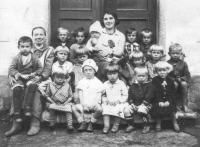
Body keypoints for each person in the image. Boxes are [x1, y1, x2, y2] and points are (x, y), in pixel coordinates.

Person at [5, 36, 42, 136]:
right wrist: (17, 74)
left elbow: (40, 68)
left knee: (33, 87)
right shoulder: (17, 57)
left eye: (27, 46)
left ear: (31, 47)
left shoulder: (35, 57)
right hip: (20, 78)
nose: (25, 49)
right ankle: (16, 117)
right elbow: (11, 68)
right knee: (16, 89)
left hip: (31, 78)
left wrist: (34, 74)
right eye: (22, 46)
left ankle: (28, 109)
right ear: (19, 47)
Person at [28, 26, 55, 136]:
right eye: (36, 35)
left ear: (45, 36)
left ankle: (35, 123)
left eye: (41, 34)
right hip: (29, 77)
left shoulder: (50, 50)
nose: (38, 37)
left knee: (38, 90)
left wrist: (40, 77)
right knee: (18, 88)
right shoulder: (27, 49)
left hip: (43, 78)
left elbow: (48, 68)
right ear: (33, 37)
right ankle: (17, 122)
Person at [91, 11, 125, 81]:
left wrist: (110, 52)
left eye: (111, 18)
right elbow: (97, 49)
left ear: (115, 20)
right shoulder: (98, 33)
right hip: (101, 62)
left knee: (117, 68)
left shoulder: (121, 35)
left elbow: (120, 52)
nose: (108, 21)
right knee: (107, 66)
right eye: (105, 19)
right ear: (103, 21)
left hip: (116, 62)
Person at [72, 59, 103, 132]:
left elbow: (99, 95)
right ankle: (82, 122)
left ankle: (91, 123)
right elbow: (81, 95)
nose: (88, 72)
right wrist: (84, 105)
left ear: (94, 71)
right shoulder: (81, 82)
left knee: (100, 109)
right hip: (84, 104)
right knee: (73, 108)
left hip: (94, 104)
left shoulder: (98, 82)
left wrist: (94, 104)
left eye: (90, 70)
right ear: (83, 71)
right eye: (86, 70)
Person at [148, 61, 180, 132]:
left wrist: (169, 101)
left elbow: (172, 93)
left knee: (172, 108)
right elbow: (154, 92)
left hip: (169, 100)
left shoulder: (170, 81)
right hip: (158, 100)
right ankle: (158, 123)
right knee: (157, 108)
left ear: (167, 71)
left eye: (164, 70)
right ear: (156, 71)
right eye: (159, 70)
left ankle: (174, 122)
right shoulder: (154, 80)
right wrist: (159, 101)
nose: (162, 72)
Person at [45, 67, 74, 132]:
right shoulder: (50, 85)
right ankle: (52, 124)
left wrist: (66, 103)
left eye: (62, 77)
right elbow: (47, 96)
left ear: (65, 78)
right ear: (54, 77)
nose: (60, 79)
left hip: (64, 104)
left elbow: (71, 96)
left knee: (69, 109)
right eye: (58, 77)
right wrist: (52, 102)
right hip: (54, 103)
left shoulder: (67, 85)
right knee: (51, 108)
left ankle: (70, 126)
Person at [124, 67, 152, 134]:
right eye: (139, 76)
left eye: (143, 76)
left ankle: (147, 125)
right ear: (135, 76)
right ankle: (131, 124)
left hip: (146, 104)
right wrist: (132, 103)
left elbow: (149, 96)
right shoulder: (133, 85)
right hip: (135, 104)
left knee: (141, 110)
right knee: (126, 110)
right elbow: (130, 95)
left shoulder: (149, 85)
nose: (141, 78)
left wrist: (143, 104)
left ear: (147, 76)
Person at [102, 63, 128, 134]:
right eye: (109, 74)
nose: (112, 76)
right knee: (105, 108)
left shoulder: (121, 83)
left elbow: (125, 95)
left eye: (114, 73)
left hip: (118, 102)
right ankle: (106, 125)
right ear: (106, 75)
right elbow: (103, 95)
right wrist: (106, 100)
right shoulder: (105, 84)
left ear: (118, 74)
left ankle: (116, 124)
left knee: (119, 108)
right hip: (109, 102)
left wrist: (119, 101)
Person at [167, 43, 191, 112]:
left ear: (180, 54)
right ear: (169, 53)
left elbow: (187, 75)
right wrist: (173, 79)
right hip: (171, 82)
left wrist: (181, 79)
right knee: (175, 84)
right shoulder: (167, 63)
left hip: (181, 82)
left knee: (184, 84)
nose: (175, 55)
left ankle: (184, 105)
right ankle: (175, 104)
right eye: (173, 53)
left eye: (177, 53)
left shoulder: (183, 63)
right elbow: (166, 75)